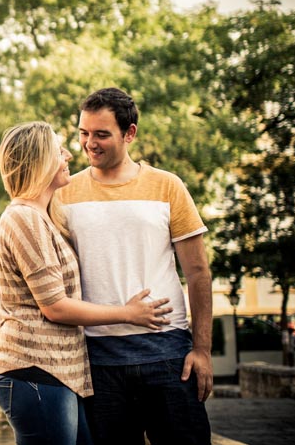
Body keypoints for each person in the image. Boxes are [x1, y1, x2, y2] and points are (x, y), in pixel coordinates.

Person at [0, 121, 173, 445]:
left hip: (58, 375)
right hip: (36, 371)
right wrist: (127, 313)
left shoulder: (44, 217)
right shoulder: (24, 218)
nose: (68, 155)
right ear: (40, 161)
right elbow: (55, 307)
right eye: (59, 150)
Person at [56, 87, 213, 445]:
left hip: (170, 356)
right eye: (83, 133)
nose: (89, 143)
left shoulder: (167, 186)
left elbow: (198, 272)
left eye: (101, 134)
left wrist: (202, 350)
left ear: (129, 133)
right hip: (98, 361)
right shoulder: (64, 194)